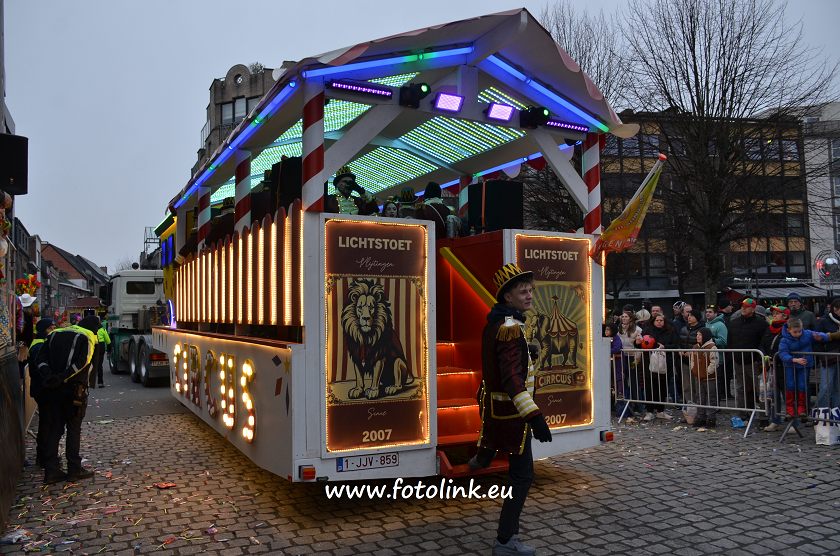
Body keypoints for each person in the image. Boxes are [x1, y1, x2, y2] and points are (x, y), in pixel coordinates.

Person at [470, 263, 551, 556]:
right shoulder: (510, 329)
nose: (529, 296)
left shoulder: (500, 323)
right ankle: (505, 541)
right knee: (522, 476)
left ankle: (483, 454)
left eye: (530, 290)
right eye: (522, 292)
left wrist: (527, 354)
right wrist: (535, 417)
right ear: (508, 297)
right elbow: (512, 380)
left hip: (500, 411)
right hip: (514, 415)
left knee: (520, 474)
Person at [33, 315, 101, 484]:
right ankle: (74, 469)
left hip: (52, 389)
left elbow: (40, 359)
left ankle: (51, 470)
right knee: (73, 428)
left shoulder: (54, 334)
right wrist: (62, 377)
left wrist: (49, 376)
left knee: (54, 428)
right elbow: (82, 363)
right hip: (74, 391)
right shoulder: (88, 337)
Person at [778, 317, 831, 419]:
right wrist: (794, 359)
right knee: (790, 385)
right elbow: (782, 353)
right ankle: (790, 409)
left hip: (804, 365)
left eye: (800, 331)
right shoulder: (784, 340)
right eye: (795, 332)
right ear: (788, 330)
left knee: (802, 386)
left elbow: (820, 335)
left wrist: (825, 337)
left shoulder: (807, 334)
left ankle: (802, 408)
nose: (798, 334)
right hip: (790, 366)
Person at [726, 298, 768, 416]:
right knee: (741, 389)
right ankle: (743, 414)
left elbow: (764, 342)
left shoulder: (761, 324)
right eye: (742, 306)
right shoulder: (734, 323)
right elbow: (730, 342)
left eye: (746, 307)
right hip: (738, 361)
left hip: (754, 361)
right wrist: (732, 357)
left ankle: (763, 415)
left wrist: (759, 358)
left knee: (759, 389)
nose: (743, 309)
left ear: (753, 309)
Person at [640, 313, 680, 420]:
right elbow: (641, 344)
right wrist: (637, 342)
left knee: (663, 387)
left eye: (661, 320)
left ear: (664, 321)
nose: (659, 322)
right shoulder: (647, 331)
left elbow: (675, 345)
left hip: (665, 362)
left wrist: (664, 347)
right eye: (657, 320)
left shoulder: (670, 330)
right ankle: (649, 411)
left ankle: (660, 410)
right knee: (650, 387)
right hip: (650, 362)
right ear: (653, 321)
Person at [28, 318, 56, 467]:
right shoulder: (39, 346)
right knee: (47, 423)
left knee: (47, 422)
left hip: (42, 389)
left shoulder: (40, 343)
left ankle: (44, 456)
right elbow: (43, 369)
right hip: (43, 389)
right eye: (51, 328)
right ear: (44, 330)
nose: (53, 330)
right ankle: (44, 457)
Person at [761, 305, 790, 432]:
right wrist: (764, 354)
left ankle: (794, 422)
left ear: (785, 315)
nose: (774, 315)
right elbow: (762, 344)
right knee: (774, 395)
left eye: (777, 313)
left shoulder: (788, 328)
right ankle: (775, 420)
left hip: (785, 366)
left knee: (788, 395)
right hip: (772, 366)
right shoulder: (769, 328)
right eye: (773, 313)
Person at [690, 327, 719, 428]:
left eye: (700, 335)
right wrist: (694, 369)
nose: (698, 337)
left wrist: (708, 372)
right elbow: (692, 360)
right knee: (700, 397)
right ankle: (700, 417)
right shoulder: (695, 347)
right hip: (698, 376)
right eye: (697, 335)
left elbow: (714, 362)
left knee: (711, 397)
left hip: (709, 377)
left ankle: (711, 418)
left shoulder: (712, 347)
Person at [815, 298, 840, 411]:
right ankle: (822, 413)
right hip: (828, 359)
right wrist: (822, 355)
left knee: (838, 388)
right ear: (835, 309)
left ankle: (836, 413)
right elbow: (816, 339)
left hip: (836, 357)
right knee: (825, 387)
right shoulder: (823, 321)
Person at [89, 319, 111, 388]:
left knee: (91, 364)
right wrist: (109, 351)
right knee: (99, 365)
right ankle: (100, 383)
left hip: (93, 346)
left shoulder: (90, 330)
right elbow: (108, 341)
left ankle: (90, 382)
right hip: (101, 347)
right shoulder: (102, 330)